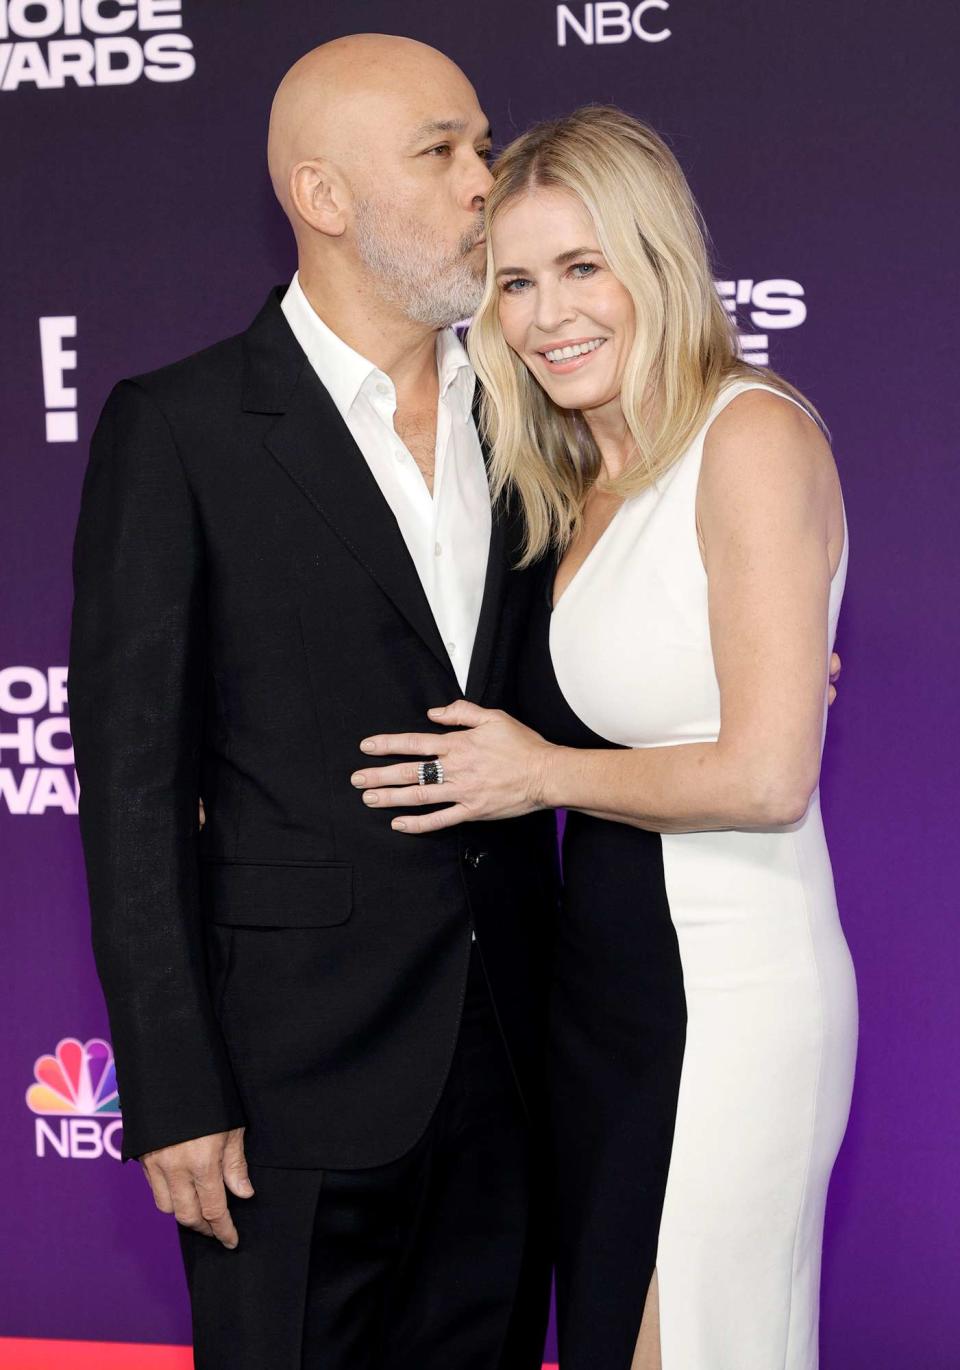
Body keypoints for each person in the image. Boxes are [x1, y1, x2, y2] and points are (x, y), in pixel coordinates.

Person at [68, 35, 560, 1370]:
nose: (485, 181)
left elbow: (568, 691)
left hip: (512, 1059)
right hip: (286, 1086)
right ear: (323, 196)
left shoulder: (527, 417)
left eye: (483, 144)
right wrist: (173, 1093)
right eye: (441, 151)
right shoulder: (180, 429)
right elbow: (128, 792)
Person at [352, 107, 858, 1369]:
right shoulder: (576, 476)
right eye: (514, 280)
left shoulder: (749, 434)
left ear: (659, 266)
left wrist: (541, 775)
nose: (545, 313)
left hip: (733, 992)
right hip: (605, 995)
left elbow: (767, 773)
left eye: (584, 267)